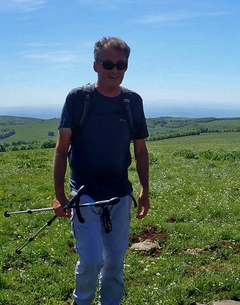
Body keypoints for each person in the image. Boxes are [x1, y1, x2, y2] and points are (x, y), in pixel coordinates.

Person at [52, 36, 150, 305]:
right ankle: (82, 301)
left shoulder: (133, 101)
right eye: (108, 63)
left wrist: (144, 190)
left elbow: (140, 150)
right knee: (92, 260)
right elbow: (62, 149)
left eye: (122, 65)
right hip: (84, 192)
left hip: (119, 193)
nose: (115, 70)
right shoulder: (78, 99)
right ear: (95, 65)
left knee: (115, 263)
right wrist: (59, 194)